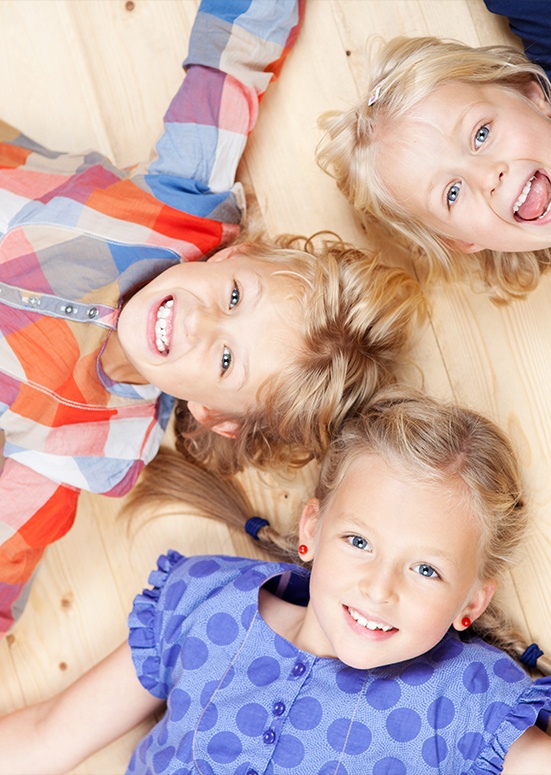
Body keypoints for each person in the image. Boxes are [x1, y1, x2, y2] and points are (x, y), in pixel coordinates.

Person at [0, 0, 426, 638]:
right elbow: (229, 60)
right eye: (232, 297)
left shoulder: (92, 440)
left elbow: (11, 538)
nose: (200, 324)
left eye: (227, 361)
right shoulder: (181, 209)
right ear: (236, 253)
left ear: (213, 415)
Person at [0, 392, 551, 775]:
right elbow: (44, 736)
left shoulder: (460, 703)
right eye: (358, 542)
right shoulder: (204, 605)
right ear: (312, 530)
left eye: (425, 568)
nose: (380, 588)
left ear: (470, 602)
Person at [316, 0, 551, 581]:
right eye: (451, 195)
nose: (489, 176)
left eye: (481, 133)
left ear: (531, 92)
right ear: (463, 241)